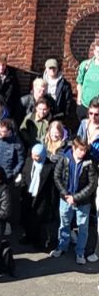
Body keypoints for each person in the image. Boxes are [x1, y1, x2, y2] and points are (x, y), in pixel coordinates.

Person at [52, 136, 97, 264]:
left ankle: (80, 252)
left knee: (83, 228)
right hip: (65, 199)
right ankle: (62, 246)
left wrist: (75, 197)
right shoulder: (64, 158)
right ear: (74, 148)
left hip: (83, 202)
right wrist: (66, 194)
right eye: (80, 150)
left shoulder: (90, 162)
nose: (83, 153)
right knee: (64, 224)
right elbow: (57, 176)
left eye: (85, 150)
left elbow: (92, 185)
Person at [19, 142, 58, 252]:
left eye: (37, 156)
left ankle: (38, 241)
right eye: (33, 155)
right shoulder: (28, 161)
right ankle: (28, 236)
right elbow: (25, 175)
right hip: (28, 195)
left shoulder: (50, 166)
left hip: (42, 198)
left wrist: (52, 203)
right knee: (27, 217)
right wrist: (22, 187)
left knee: (39, 221)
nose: (35, 158)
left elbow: (52, 187)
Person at [42, 57, 74, 125]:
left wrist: (65, 114)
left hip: (58, 114)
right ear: (46, 69)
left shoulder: (65, 84)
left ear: (57, 68)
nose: (52, 70)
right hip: (43, 112)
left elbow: (68, 101)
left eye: (54, 68)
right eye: (50, 68)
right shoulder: (40, 81)